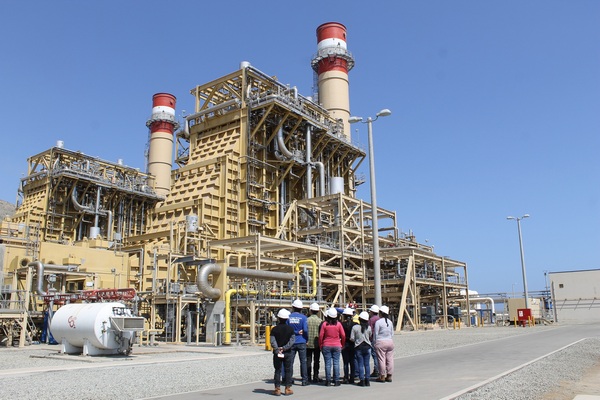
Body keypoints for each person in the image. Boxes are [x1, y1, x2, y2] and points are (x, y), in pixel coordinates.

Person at [270, 309, 295, 396]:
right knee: (288, 370)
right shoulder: (290, 329)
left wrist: (278, 349)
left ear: (279, 318)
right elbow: (292, 341)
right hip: (287, 352)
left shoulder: (274, 329)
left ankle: (277, 389)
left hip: (277, 353)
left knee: (277, 370)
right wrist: (284, 348)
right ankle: (287, 388)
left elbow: (272, 341)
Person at [319, 307, 345, 386]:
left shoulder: (324, 324)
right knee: (336, 363)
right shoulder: (338, 324)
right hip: (337, 345)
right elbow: (343, 335)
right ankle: (336, 380)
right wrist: (342, 344)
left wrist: (321, 345)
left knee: (327, 364)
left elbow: (321, 336)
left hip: (326, 345)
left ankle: (328, 381)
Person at [288, 299, 309, 386]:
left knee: (290, 362)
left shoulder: (288, 317)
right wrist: (306, 339)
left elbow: (287, 329)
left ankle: (289, 379)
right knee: (303, 361)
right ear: (301, 309)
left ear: (293, 307)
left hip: (291, 342)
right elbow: (305, 330)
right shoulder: (304, 318)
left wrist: (295, 332)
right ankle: (304, 380)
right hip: (301, 341)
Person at [373, 305, 395, 383]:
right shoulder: (390, 322)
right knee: (390, 359)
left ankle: (382, 376)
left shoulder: (378, 322)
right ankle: (389, 375)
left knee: (381, 359)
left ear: (381, 313)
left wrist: (375, 343)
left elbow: (375, 333)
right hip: (390, 341)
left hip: (381, 341)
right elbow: (392, 333)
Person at [350, 311, 372, 387]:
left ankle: (361, 380)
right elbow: (370, 335)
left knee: (360, 364)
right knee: (367, 364)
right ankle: (367, 380)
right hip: (367, 346)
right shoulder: (369, 327)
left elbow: (352, 338)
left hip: (359, 347)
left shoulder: (355, 327)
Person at [306, 302, 322, 383]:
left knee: (308, 360)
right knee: (316, 360)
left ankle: (308, 377)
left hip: (308, 343)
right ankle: (316, 376)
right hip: (317, 344)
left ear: (310, 310)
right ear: (318, 311)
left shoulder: (306, 320)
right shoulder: (320, 321)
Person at [341, 308, 357, 384]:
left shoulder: (342, 324)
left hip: (344, 344)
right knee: (352, 361)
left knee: (345, 362)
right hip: (353, 344)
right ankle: (352, 378)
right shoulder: (355, 325)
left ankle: (346, 377)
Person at [368, 304, 380, 377]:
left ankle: (376, 370)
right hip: (380, 339)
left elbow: (370, 330)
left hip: (373, 339)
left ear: (372, 312)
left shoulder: (371, 320)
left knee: (374, 355)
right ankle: (380, 369)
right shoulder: (379, 319)